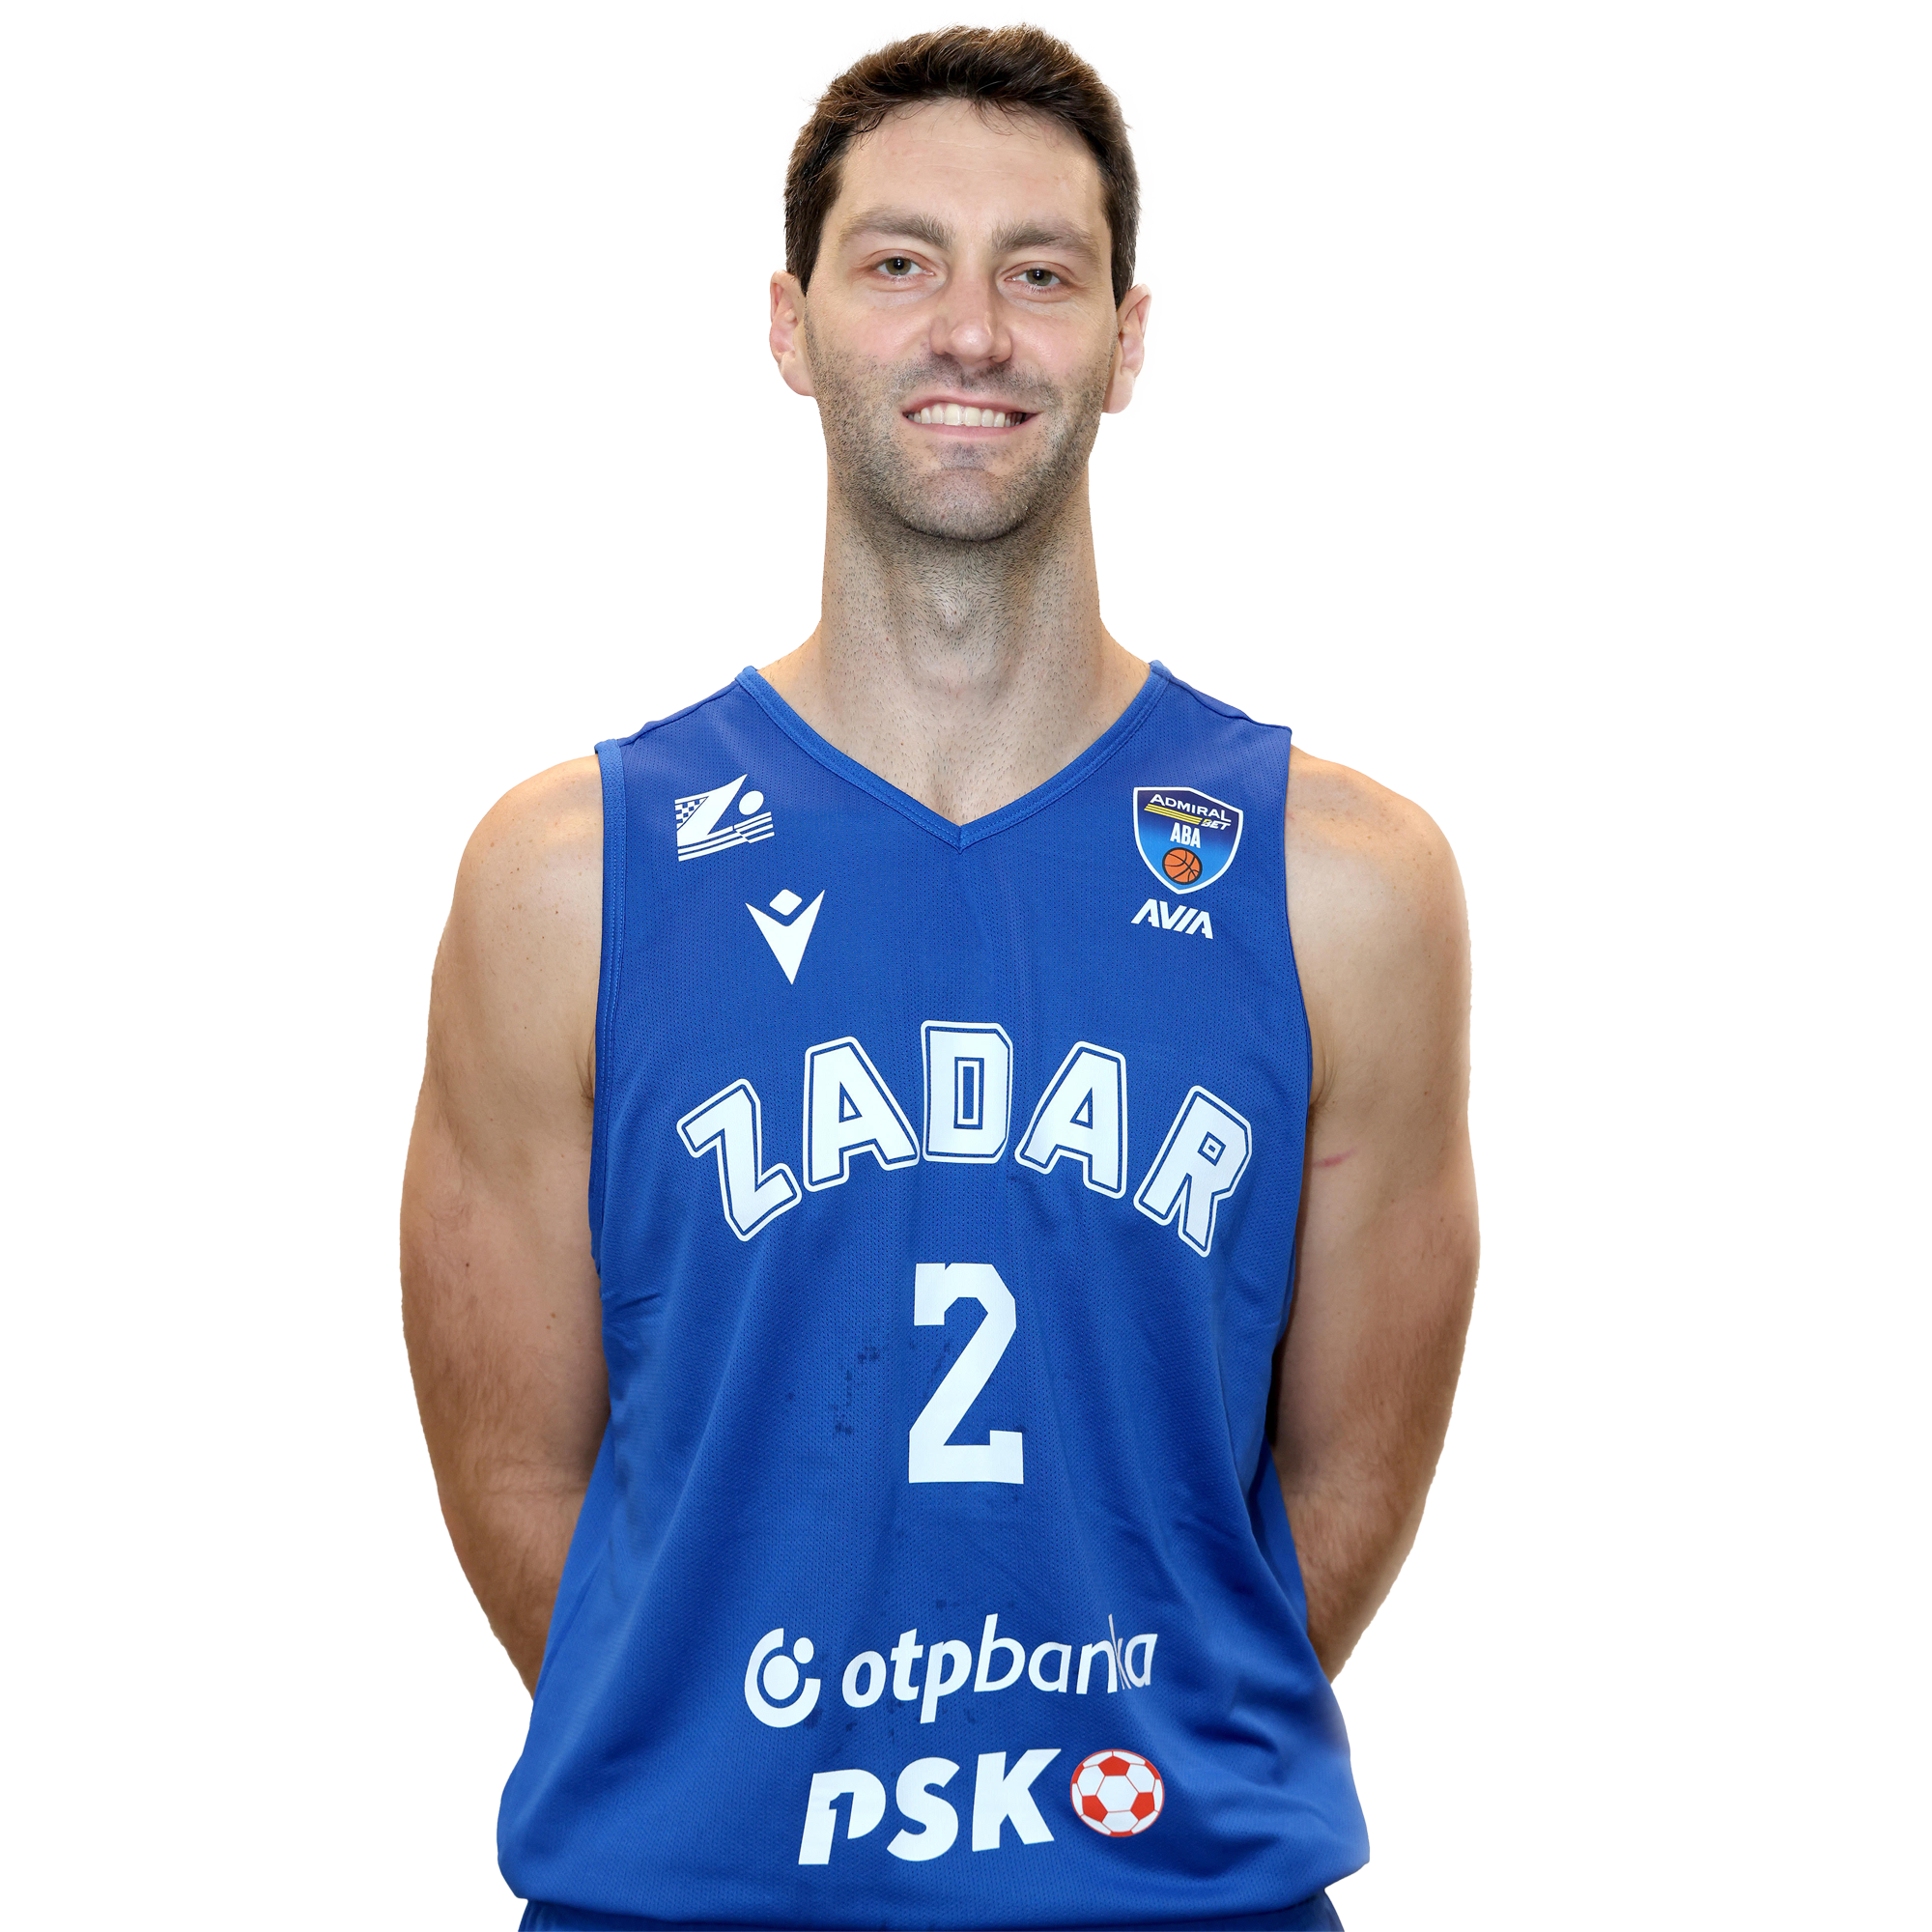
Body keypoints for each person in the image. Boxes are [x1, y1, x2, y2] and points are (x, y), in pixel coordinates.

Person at [402, 21, 1477, 1932]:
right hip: (692, 1903)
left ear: (1124, 342)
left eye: (1039, 273)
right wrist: (727, 1770)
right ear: (791, 321)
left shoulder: (1343, 888)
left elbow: (1349, 1473)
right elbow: (512, 1469)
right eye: (899, 262)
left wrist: (1125, 1768)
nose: (970, 329)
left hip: (1171, 1893)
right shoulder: (568, 880)